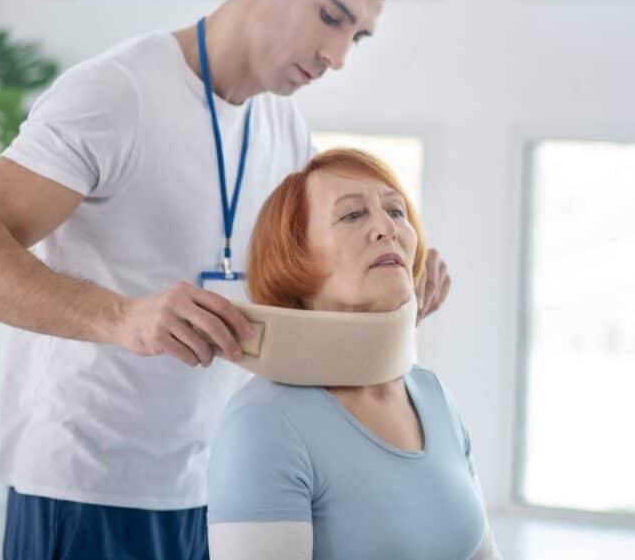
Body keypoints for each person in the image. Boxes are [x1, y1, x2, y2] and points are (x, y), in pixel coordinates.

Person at [0, 0, 451, 560]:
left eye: (357, 36)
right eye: (331, 17)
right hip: (87, 491)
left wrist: (395, 286)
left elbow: (300, 304)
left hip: (217, 488)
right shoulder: (115, 93)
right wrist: (122, 318)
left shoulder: (286, 132)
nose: (339, 55)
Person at [207, 148, 500, 559]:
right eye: (352, 215)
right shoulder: (264, 423)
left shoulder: (433, 396)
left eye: (396, 212)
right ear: (295, 260)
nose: (387, 228)